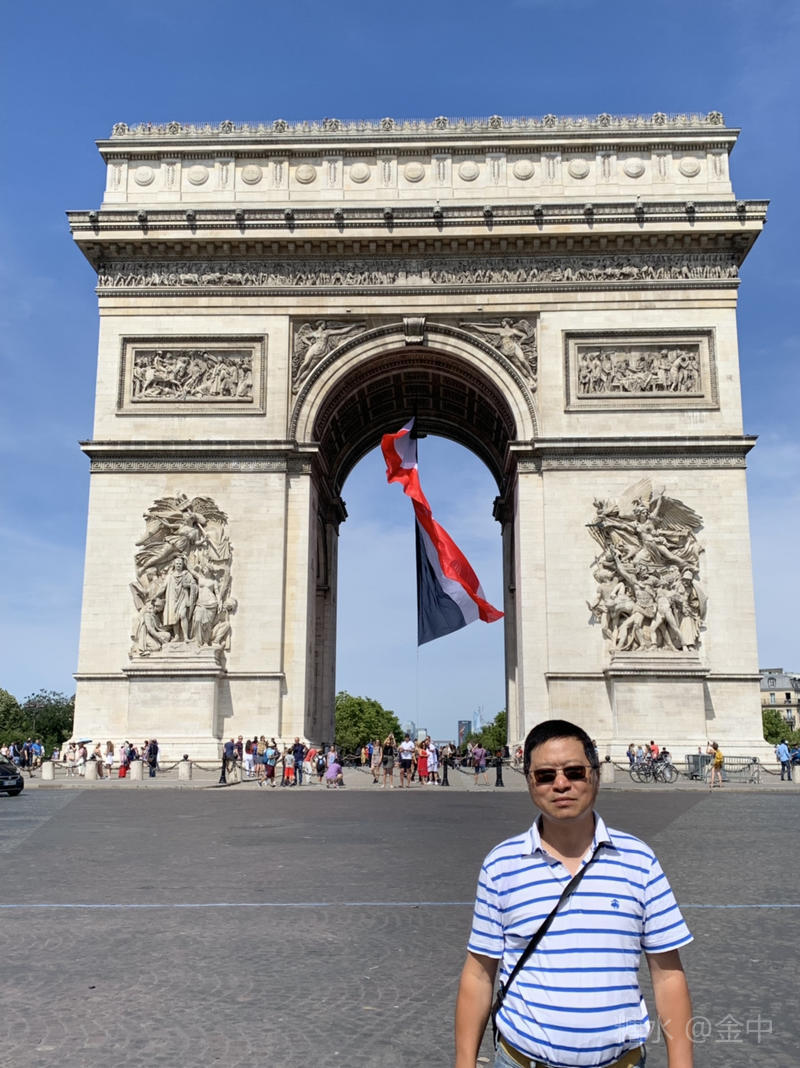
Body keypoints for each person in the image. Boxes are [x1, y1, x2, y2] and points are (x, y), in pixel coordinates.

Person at [455, 718, 693, 1068]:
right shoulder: (500, 865)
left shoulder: (639, 860)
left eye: (574, 772)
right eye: (545, 775)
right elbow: (479, 974)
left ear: (595, 774)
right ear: (529, 782)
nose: (561, 784)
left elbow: (668, 975)